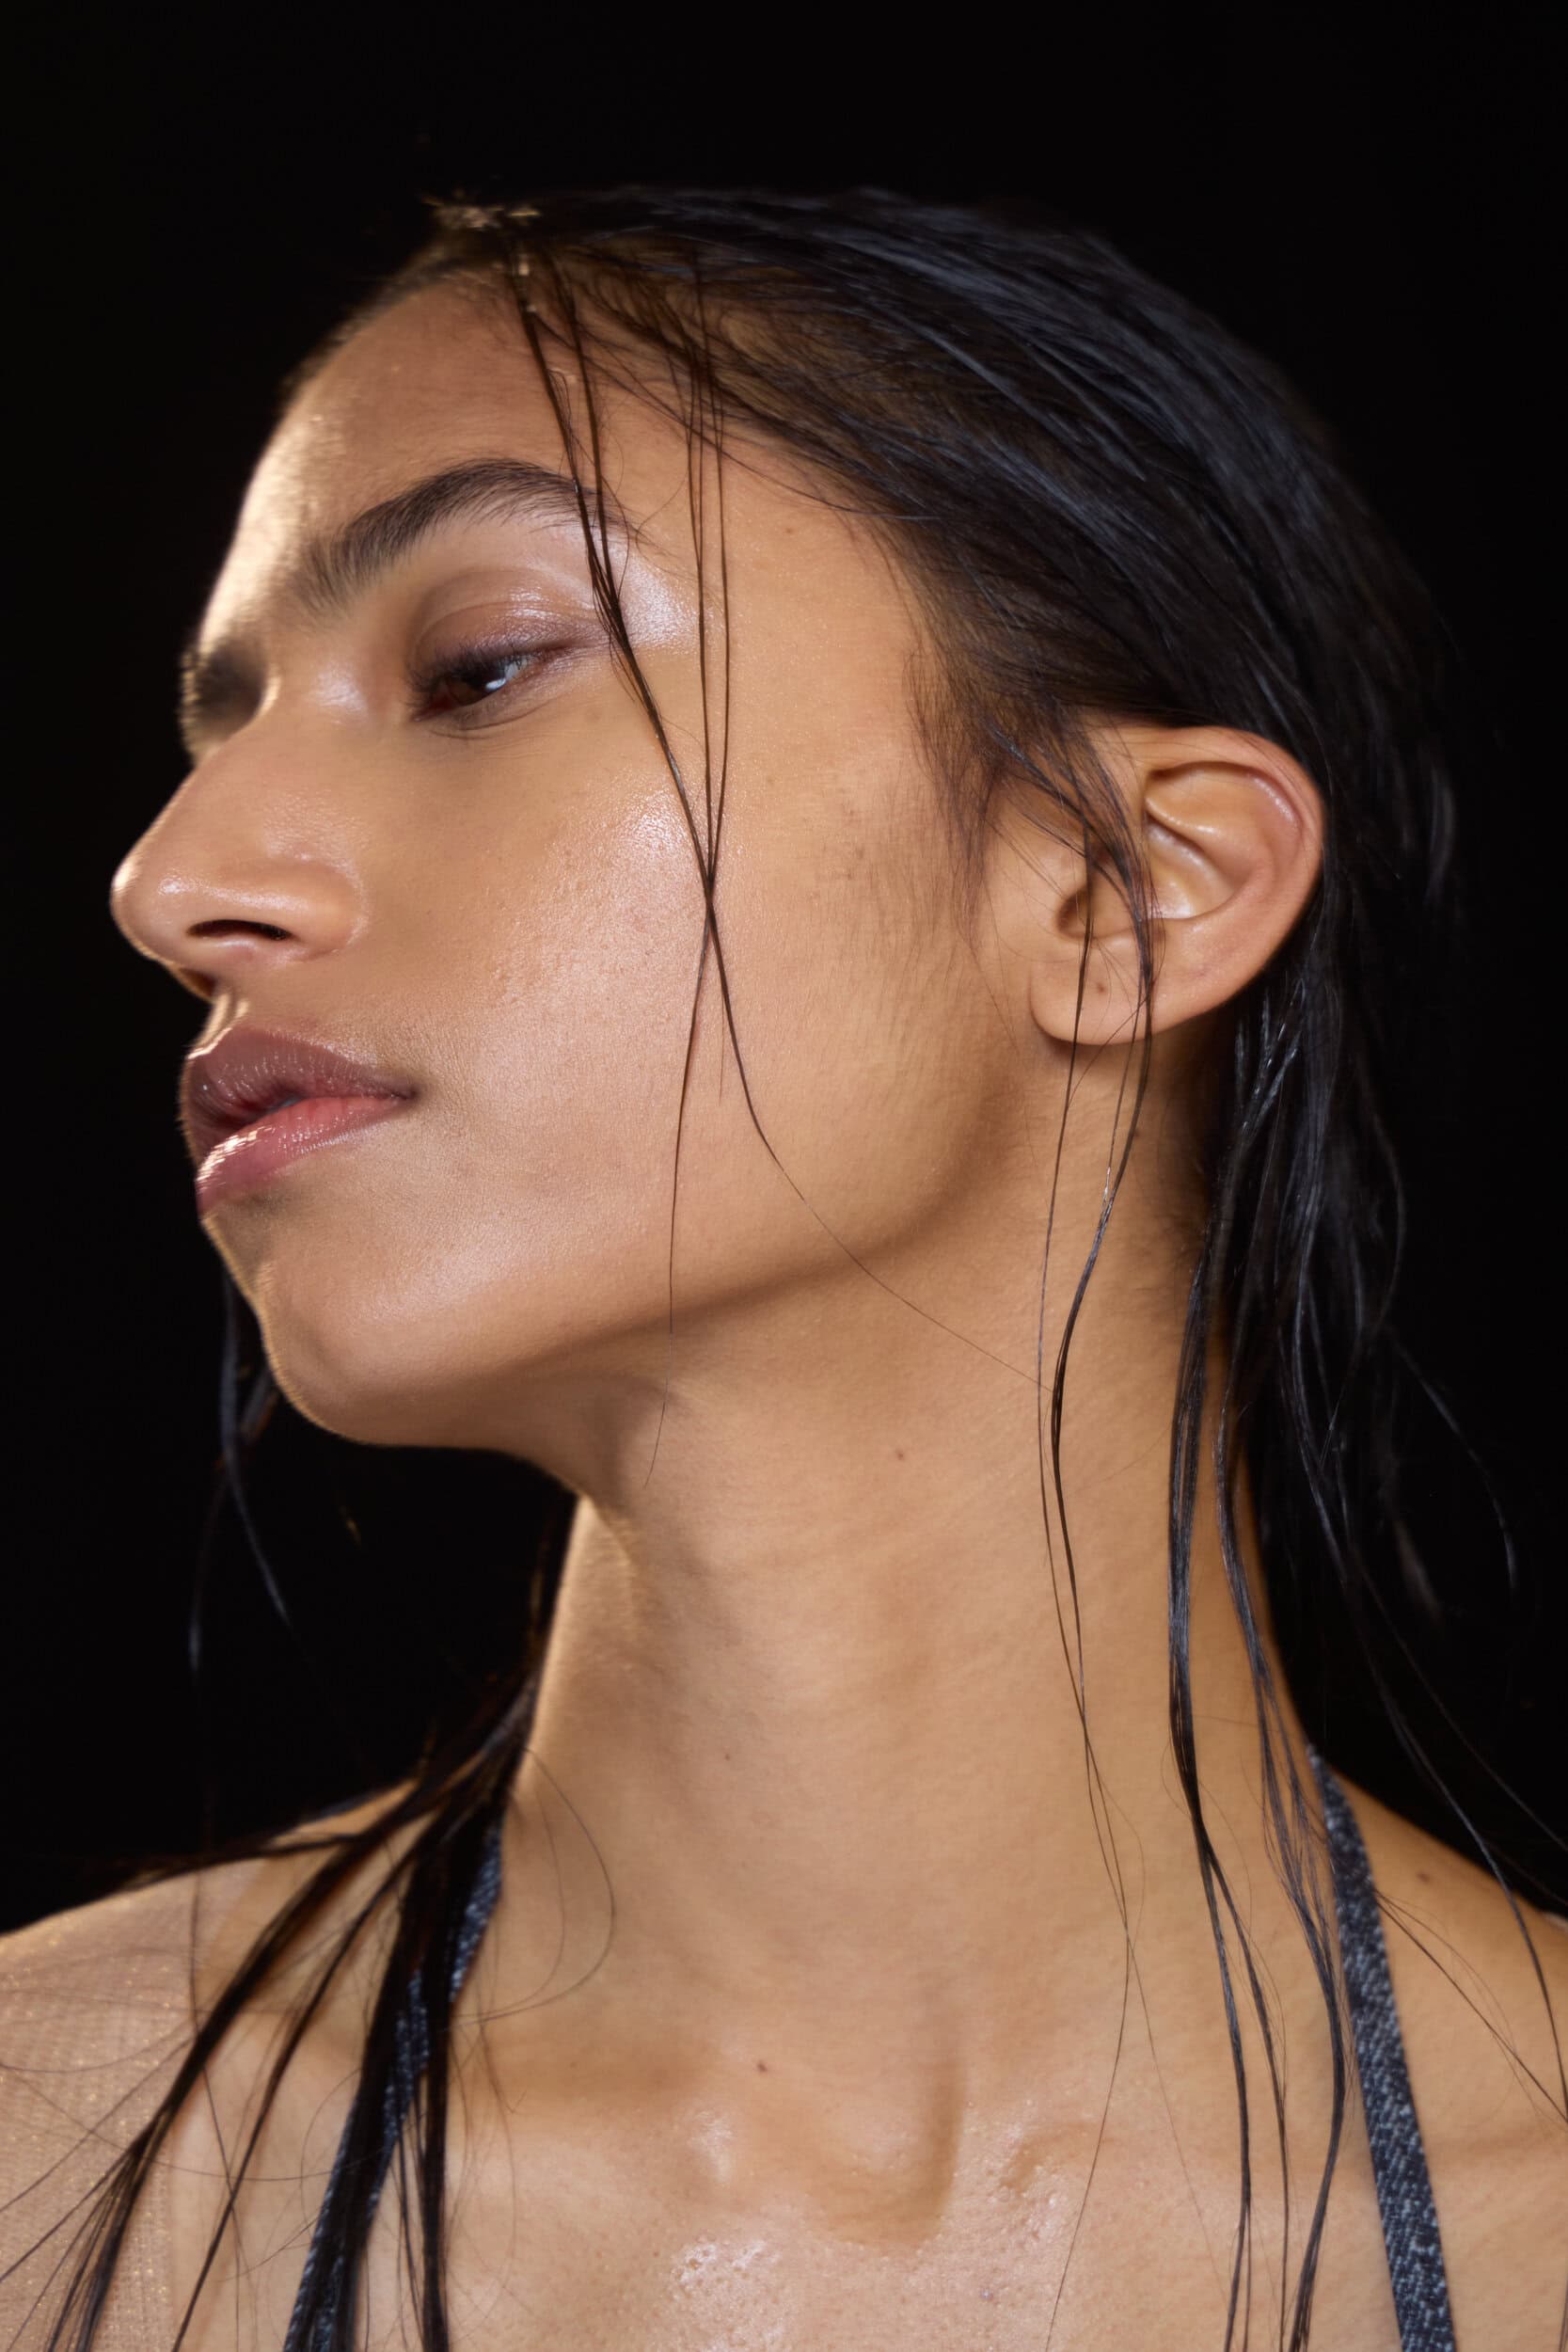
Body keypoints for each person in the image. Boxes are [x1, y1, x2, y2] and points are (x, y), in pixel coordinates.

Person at [2, 187, 1563, 2351]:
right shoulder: (44, 2164)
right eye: (219, 735)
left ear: (1127, 886)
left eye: (478, 667)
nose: (173, 881)